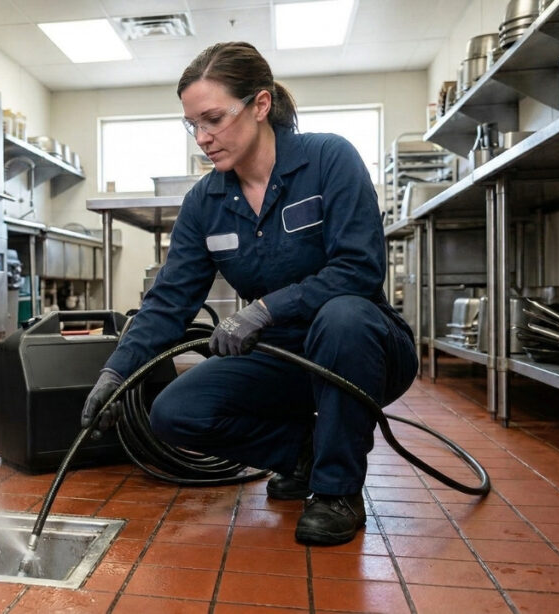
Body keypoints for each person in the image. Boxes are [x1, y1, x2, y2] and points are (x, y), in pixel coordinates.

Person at [81, 42, 418, 545]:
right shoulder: (205, 202)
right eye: (192, 125)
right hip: (283, 357)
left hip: (362, 349)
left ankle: (336, 491)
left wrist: (264, 309)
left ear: (260, 105)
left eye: (213, 119)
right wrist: (116, 371)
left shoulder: (329, 160)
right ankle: (305, 453)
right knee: (176, 413)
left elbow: (359, 268)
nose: (203, 138)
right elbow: (169, 300)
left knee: (343, 316)